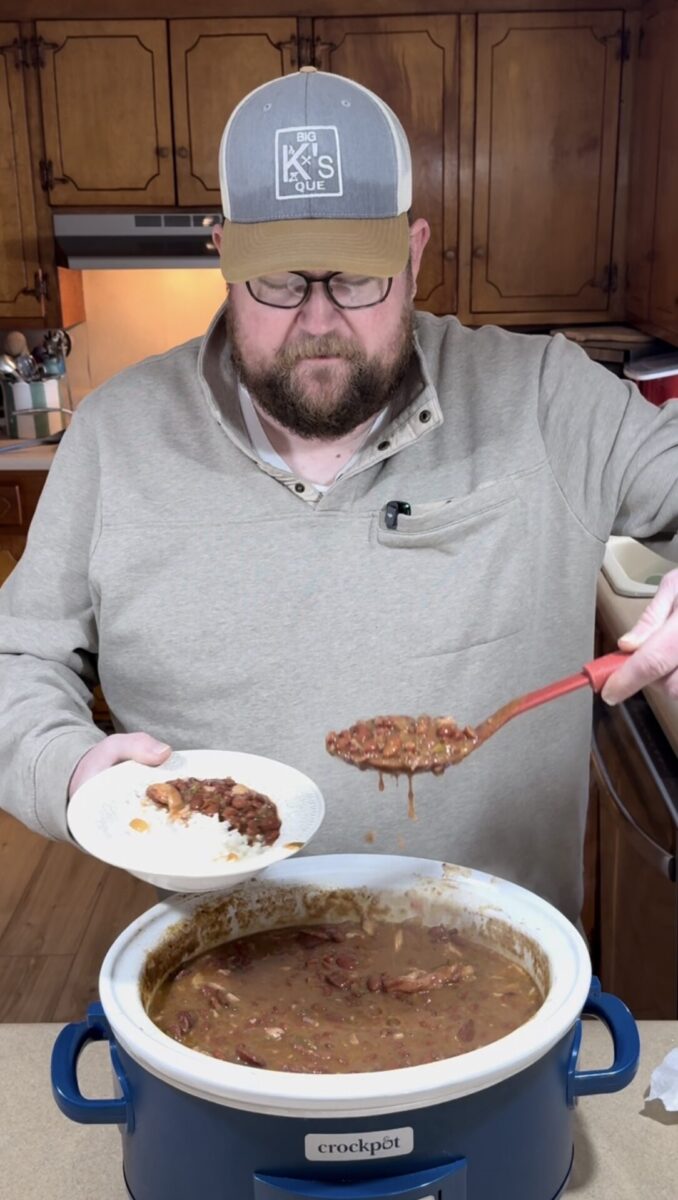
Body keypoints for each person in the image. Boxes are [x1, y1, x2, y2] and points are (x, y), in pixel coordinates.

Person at [0, 68, 677, 926]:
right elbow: (16, 657)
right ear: (223, 258)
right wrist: (66, 768)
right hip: (219, 976)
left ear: (415, 253)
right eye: (279, 280)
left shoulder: (546, 397)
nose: (318, 320)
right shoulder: (114, 436)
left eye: (357, 278)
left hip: (502, 981)